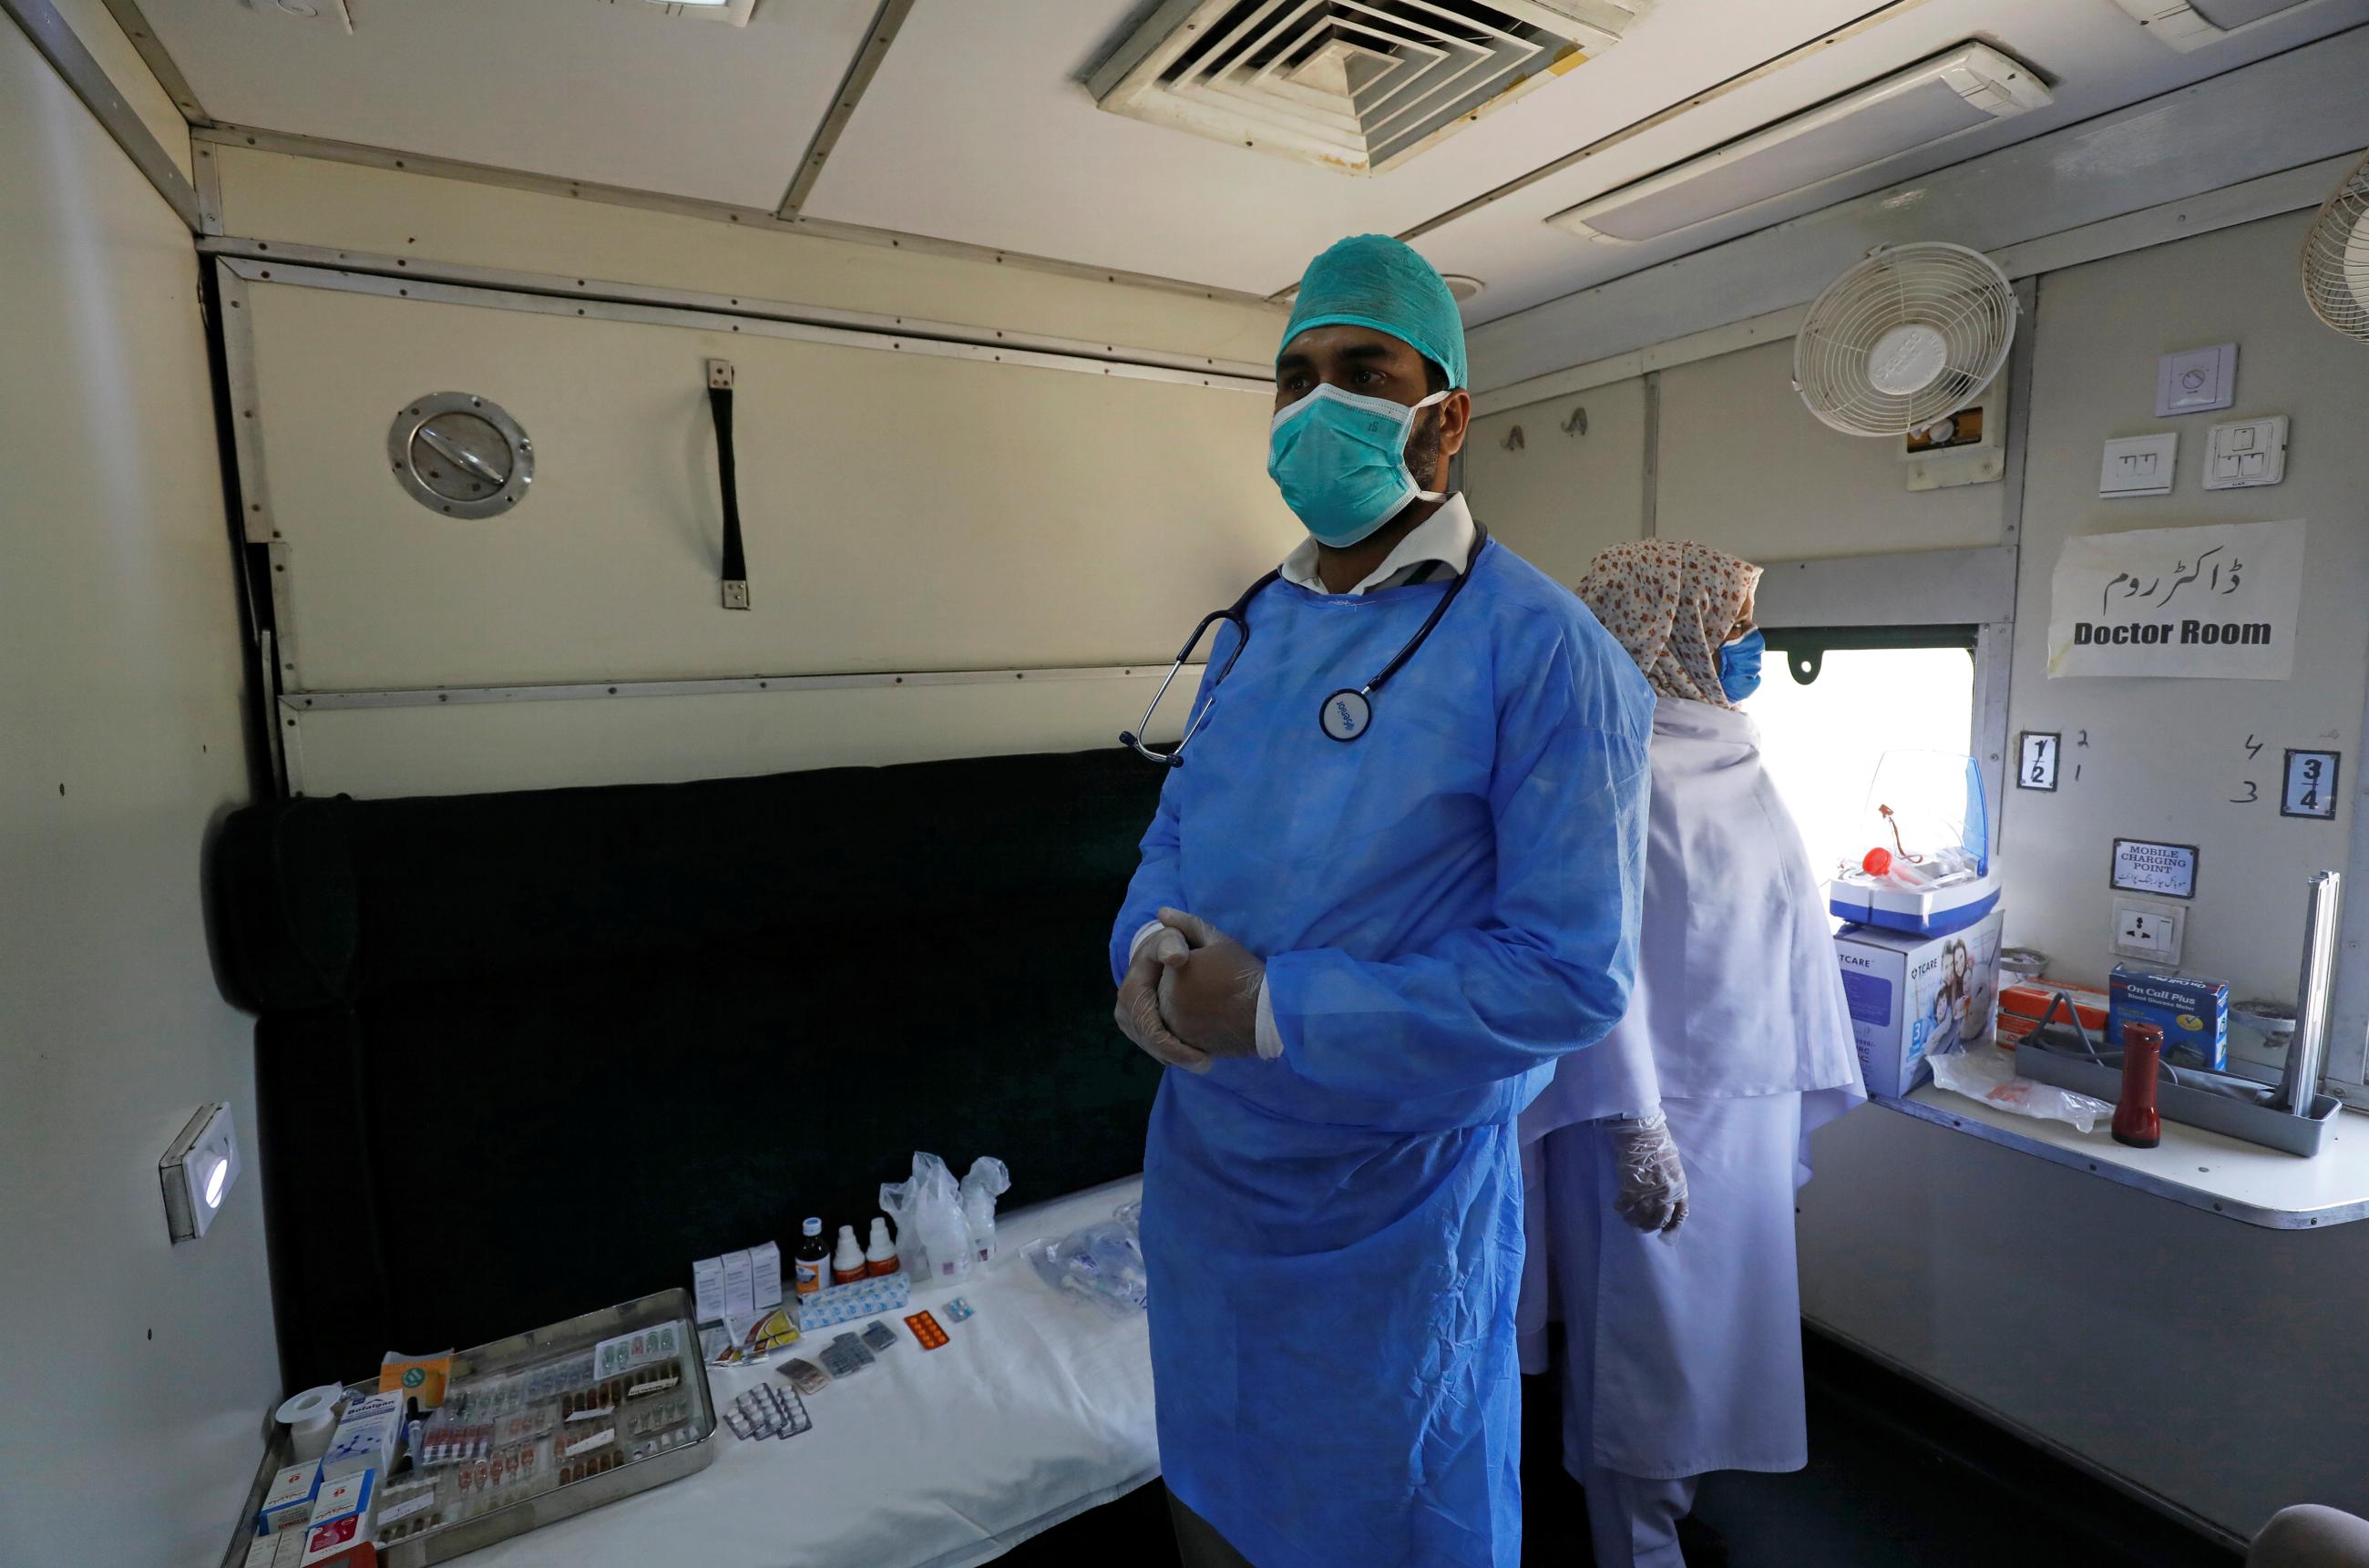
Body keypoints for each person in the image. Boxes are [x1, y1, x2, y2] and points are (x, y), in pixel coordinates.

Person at [1106, 233, 1656, 1568]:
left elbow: (1570, 973)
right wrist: (1138, 953)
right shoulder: (1252, 629)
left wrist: (1281, 1008)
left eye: (1362, 370)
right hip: (1206, 1188)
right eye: (1294, 378)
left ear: (1446, 417)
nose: (1316, 406)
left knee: (1383, 1522)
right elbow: (1172, 837)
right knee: (1214, 1506)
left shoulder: (1547, 654)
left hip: (1388, 1221)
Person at [1516, 539, 1866, 1568]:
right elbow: (1591, 955)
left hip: (1743, 1093)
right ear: (1661, 630)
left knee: (1712, 1338)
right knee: (1643, 1343)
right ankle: (1631, 1539)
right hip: (1646, 1106)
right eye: (1728, 623)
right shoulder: (1607, 766)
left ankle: (1669, 1507)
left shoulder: (1728, 745)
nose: (1746, 643)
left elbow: (1773, 921)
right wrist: (1636, 1123)